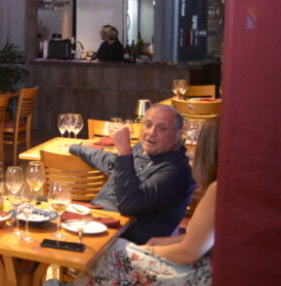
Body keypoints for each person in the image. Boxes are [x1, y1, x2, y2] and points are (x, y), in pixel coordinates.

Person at [42, 118, 219, 286]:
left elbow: (189, 252)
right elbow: (202, 238)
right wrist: (164, 241)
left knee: (109, 253)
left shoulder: (213, 187)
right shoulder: (227, 185)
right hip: (205, 274)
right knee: (109, 254)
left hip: (192, 282)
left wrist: (148, 250)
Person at [68, 103, 194, 244]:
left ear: (177, 135)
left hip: (126, 241)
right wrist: (75, 148)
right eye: (148, 124)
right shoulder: (142, 148)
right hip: (98, 218)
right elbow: (113, 163)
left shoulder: (176, 171)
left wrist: (124, 150)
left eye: (162, 128)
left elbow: (129, 205)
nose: (151, 132)